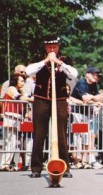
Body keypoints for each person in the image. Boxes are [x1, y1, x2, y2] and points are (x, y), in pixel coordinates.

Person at [26, 35, 78, 178]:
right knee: (39, 134)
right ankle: (36, 168)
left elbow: (74, 74)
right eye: (49, 47)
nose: (52, 49)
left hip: (60, 99)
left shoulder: (65, 60)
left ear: (58, 47)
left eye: (55, 46)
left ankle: (64, 167)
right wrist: (46, 61)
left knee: (61, 134)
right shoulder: (38, 59)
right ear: (45, 47)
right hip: (41, 100)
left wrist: (60, 64)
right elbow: (29, 71)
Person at [71, 66, 103, 169]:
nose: (96, 76)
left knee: (86, 137)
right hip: (77, 113)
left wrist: (93, 98)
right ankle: (76, 160)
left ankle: (84, 160)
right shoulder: (81, 83)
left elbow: (100, 97)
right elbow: (85, 99)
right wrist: (95, 100)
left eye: (97, 74)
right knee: (76, 136)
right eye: (93, 74)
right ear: (87, 74)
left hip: (86, 113)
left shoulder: (94, 84)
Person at [0, 73, 33, 171]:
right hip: (10, 117)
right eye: (21, 81)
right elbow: (19, 98)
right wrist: (31, 99)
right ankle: (4, 164)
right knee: (9, 142)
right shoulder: (11, 89)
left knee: (12, 142)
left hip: (15, 118)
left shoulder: (19, 89)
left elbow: (25, 96)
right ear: (16, 81)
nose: (23, 83)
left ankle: (5, 164)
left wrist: (25, 93)